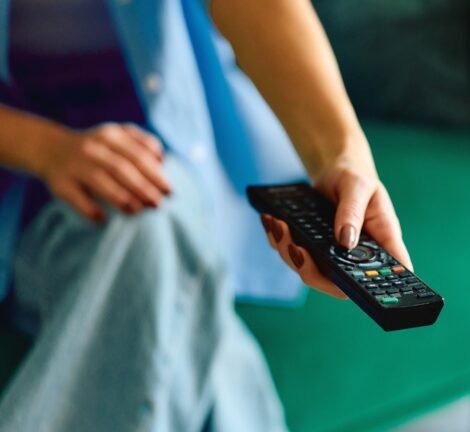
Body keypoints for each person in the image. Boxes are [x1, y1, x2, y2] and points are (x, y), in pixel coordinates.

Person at [0, 0, 412, 430]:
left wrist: (340, 154)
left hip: (158, 140)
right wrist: (47, 149)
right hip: (20, 164)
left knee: (157, 228)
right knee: (158, 231)